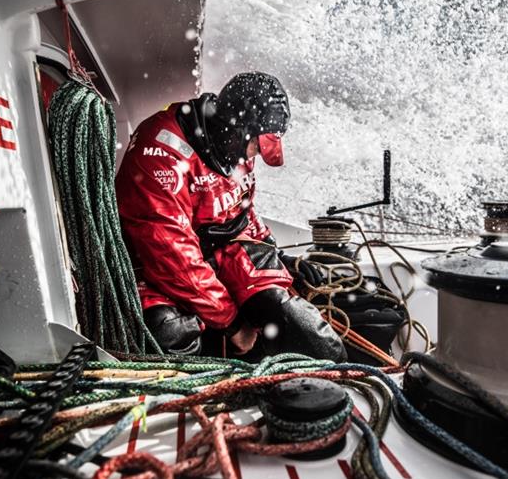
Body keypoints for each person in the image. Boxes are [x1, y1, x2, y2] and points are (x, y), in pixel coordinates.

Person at [115, 72, 346, 361]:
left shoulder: (233, 146)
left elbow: (242, 210)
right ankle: (207, 395)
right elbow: (174, 258)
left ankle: (334, 384)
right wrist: (233, 324)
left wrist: (278, 256)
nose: (256, 157)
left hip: (220, 252)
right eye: (256, 148)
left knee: (291, 317)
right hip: (157, 265)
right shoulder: (160, 154)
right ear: (236, 130)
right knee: (169, 331)